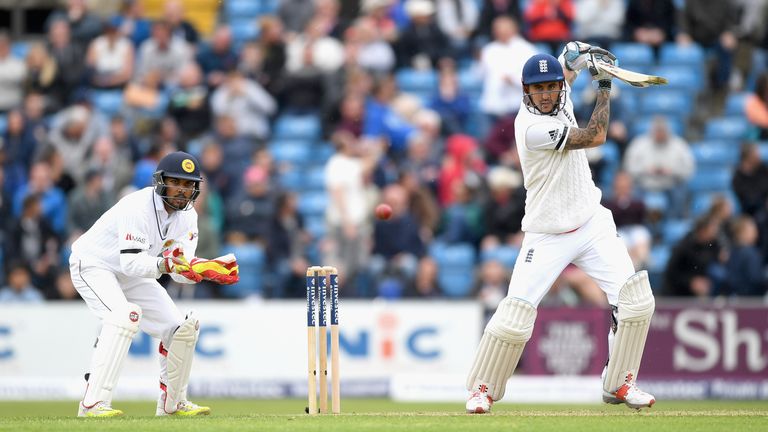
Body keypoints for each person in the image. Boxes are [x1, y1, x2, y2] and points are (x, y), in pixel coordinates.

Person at [465, 44, 656, 414]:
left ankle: (620, 383)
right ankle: (481, 389)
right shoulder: (533, 128)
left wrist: (579, 55)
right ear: (526, 92)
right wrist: (604, 85)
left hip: (591, 223)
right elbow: (596, 136)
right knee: (516, 315)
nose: (548, 94)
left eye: (552, 87)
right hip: (547, 232)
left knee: (635, 301)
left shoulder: (559, 92)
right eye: (539, 89)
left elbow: (568, 66)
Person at [68, 151, 239, 417]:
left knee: (180, 329)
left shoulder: (188, 216)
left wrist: (201, 270)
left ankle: (172, 404)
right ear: (161, 181)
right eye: (177, 182)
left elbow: (179, 269)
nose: (182, 190)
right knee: (123, 317)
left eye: (188, 184)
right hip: (93, 264)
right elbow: (132, 263)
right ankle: (92, 404)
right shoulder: (137, 207)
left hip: (133, 272)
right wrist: (168, 265)